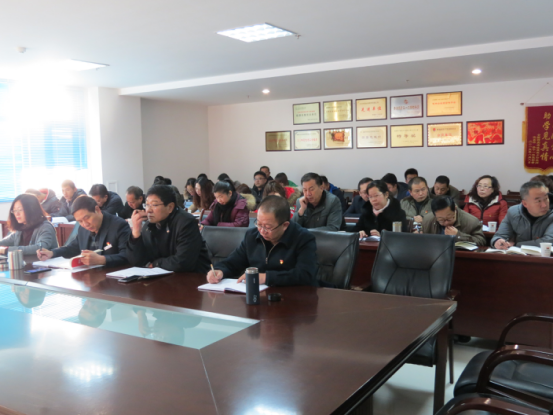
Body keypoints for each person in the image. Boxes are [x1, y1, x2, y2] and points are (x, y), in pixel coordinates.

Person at [206, 196, 318, 287]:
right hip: (259, 296)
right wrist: (220, 271)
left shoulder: (303, 238)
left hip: (294, 298)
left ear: (285, 225)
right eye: (259, 224)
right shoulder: (252, 236)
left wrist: (266, 277)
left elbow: (305, 274)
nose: (262, 231)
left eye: (268, 227)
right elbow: (233, 262)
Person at [126, 185, 210, 272]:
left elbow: (183, 262)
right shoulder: (149, 226)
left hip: (193, 276)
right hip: (162, 275)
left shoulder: (186, 223)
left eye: (154, 205)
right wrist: (136, 233)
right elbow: (136, 261)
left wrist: (156, 264)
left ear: (170, 207)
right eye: (147, 205)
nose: (148, 210)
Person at [36, 196, 131, 267]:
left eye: (87, 218)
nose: (85, 224)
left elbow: (127, 256)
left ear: (97, 210)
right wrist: (52, 253)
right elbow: (72, 248)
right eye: (80, 221)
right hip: (90, 276)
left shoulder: (119, 225)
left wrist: (102, 260)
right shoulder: (82, 229)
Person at [491, 181, 553, 249]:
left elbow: (549, 241)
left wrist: (516, 244)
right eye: (538, 201)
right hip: (517, 254)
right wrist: (497, 241)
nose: (544, 205)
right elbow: (500, 235)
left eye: (546, 199)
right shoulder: (513, 212)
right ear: (525, 203)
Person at [421, 196, 486, 245]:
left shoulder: (471, 221)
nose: (446, 223)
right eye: (441, 220)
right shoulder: (427, 220)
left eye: (449, 219)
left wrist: (458, 235)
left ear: (455, 209)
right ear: (434, 215)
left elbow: (481, 241)